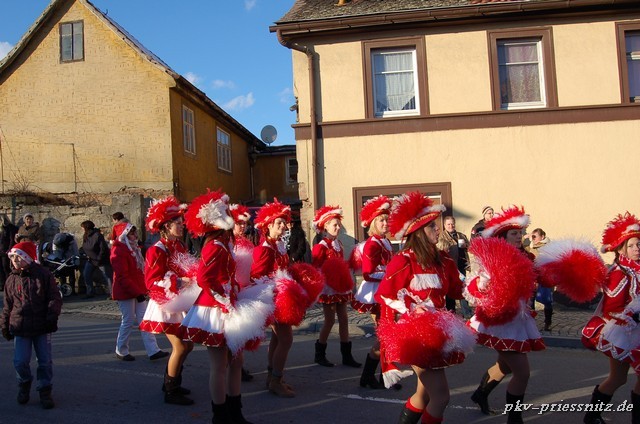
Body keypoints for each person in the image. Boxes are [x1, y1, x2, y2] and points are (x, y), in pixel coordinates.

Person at [374, 192, 475, 424]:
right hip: (417, 334)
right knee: (441, 397)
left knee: (424, 394)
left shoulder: (443, 260)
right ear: (418, 231)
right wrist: (412, 307)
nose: (438, 229)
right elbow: (386, 294)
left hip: (438, 330)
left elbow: (457, 290)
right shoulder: (404, 260)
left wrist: (479, 286)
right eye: (432, 226)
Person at [181, 190, 270, 423]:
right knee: (220, 365)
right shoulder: (215, 246)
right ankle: (220, 416)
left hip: (228, 304)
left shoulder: (223, 245)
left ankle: (235, 412)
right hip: (215, 310)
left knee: (236, 361)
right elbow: (204, 279)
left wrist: (235, 290)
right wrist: (223, 298)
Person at [467, 205, 544, 424]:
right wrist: (483, 286)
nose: (519, 236)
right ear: (503, 236)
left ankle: (480, 394)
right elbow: (474, 287)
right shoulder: (494, 259)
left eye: (520, 233)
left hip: (519, 318)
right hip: (501, 321)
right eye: (513, 233)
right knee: (522, 373)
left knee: (505, 365)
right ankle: (514, 418)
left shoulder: (527, 257)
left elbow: (543, 278)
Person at [581, 212, 640, 424]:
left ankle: (592, 416)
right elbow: (612, 308)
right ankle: (592, 415)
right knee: (617, 378)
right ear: (621, 248)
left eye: (639, 244)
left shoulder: (636, 270)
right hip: (624, 333)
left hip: (635, 332)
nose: (637, 249)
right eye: (631, 245)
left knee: (619, 378)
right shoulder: (619, 273)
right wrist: (633, 315)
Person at [139, 196, 195, 406]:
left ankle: (172, 381)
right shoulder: (156, 250)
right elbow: (151, 281)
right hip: (166, 302)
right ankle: (171, 390)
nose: (182, 226)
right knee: (180, 346)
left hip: (180, 300)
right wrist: (179, 281)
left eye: (181, 222)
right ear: (166, 227)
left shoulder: (179, 245)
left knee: (188, 346)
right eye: (177, 223)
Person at [1, 241, 62, 409]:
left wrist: (51, 316)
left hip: (42, 326)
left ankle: (45, 390)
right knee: (20, 362)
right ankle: (24, 383)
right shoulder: (11, 279)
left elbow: (54, 298)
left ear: (27, 258)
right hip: (20, 326)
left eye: (18, 257)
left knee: (45, 362)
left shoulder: (43, 275)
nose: (14, 261)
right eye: (12, 257)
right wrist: (4, 324)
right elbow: (7, 305)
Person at [250, 199, 296, 397]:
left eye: (284, 223)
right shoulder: (265, 249)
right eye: (279, 223)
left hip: (282, 298)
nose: (283, 226)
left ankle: (273, 377)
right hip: (274, 299)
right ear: (268, 226)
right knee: (286, 339)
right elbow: (256, 277)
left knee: (278, 338)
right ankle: (276, 380)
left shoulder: (278, 246)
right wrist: (278, 286)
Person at [312, 205, 361, 368]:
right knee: (329, 320)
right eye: (335, 225)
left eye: (339, 225)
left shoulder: (338, 243)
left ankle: (347, 356)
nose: (338, 227)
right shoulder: (321, 246)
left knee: (344, 319)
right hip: (329, 287)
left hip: (340, 286)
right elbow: (316, 269)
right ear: (325, 226)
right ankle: (320, 353)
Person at [111, 222, 168, 362]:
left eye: (135, 233)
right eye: (132, 233)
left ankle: (153, 350)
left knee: (144, 320)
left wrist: (142, 290)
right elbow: (122, 277)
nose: (135, 236)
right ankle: (121, 350)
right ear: (124, 235)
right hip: (126, 291)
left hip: (136, 289)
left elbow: (139, 272)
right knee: (128, 320)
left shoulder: (133, 248)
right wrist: (137, 292)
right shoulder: (118, 250)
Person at [352, 196, 392, 389]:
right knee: (383, 337)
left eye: (386, 220)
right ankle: (368, 376)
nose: (385, 223)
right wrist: (390, 275)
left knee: (387, 336)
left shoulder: (385, 241)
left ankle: (384, 376)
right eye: (381, 220)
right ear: (373, 223)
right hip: (377, 294)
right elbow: (368, 274)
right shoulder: (372, 244)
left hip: (387, 292)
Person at [229, 203, 256, 383]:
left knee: (241, 331)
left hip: (244, 289)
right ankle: (234, 366)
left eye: (244, 223)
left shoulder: (247, 242)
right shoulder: (229, 244)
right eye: (239, 223)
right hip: (232, 291)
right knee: (235, 330)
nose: (242, 226)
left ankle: (237, 365)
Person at [437, 216, 472, 318]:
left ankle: (466, 313)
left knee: (463, 288)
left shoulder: (461, 235)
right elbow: (439, 250)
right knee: (450, 290)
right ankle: (451, 313)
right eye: (448, 224)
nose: (451, 226)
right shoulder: (441, 237)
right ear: (444, 225)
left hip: (461, 265)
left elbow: (470, 247)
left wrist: (466, 245)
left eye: (452, 224)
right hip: (450, 267)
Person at [527, 228, 553, 331]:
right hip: (533, 277)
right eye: (532, 236)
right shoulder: (530, 247)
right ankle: (531, 323)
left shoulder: (548, 247)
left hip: (545, 277)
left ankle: (548, 323)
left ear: (542, 237)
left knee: (547, 301)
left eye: (535, 237)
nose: (533, 239)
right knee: (531, 300)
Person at [80, 220, 111, 298]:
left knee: (107, 276)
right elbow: (85, 246)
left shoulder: (97, 235)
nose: (82, 229)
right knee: (86, 274)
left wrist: (99, 258)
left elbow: (103, 248)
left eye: (83, 227)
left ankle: (113, 293)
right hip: (91, 259)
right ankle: (90, 292)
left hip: (101, 260)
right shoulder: (86, 235)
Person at [0, 214, 18, 291]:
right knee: (0, 268)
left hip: (6, 250)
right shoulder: (1, 228)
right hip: (1, 249)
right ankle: (2, 284)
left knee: (6, 267)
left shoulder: (10, 228)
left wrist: (9, 249)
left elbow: (11, 240)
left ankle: (9, 284)